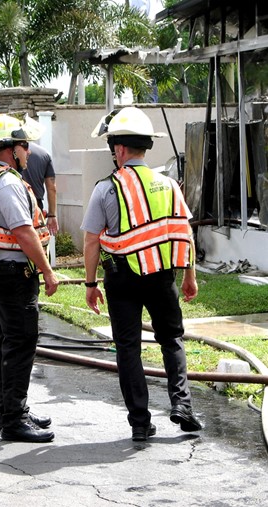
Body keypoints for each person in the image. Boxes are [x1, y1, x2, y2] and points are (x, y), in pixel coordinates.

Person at [81, 107, 202, 442]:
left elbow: (92, 240)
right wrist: (189, 275)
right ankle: (183, 406)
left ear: (119, 149)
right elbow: (183, 232)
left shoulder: (105, 188)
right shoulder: (167, 185)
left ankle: (139, 422)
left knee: (128, 348)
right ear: (145, 146)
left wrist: (90, 284)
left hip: (121, 280)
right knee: (172, 340)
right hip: (163, 277)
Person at [0, 113, 59, 443]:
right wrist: (48, 272)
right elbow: (23, 232)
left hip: (3, 271)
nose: (30, 153)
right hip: (12, 273)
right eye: (25, 145)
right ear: (11, 149)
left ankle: (12, 408)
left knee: (9, 342)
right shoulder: (6, 183)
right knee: (20, 342)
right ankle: (13, 418)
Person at [23, 142, 59, 236]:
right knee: (38, 240)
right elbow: (51, 187)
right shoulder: (44, 153)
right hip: (37, 207)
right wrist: (52, 215)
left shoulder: (11, 152)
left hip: (17, 202)